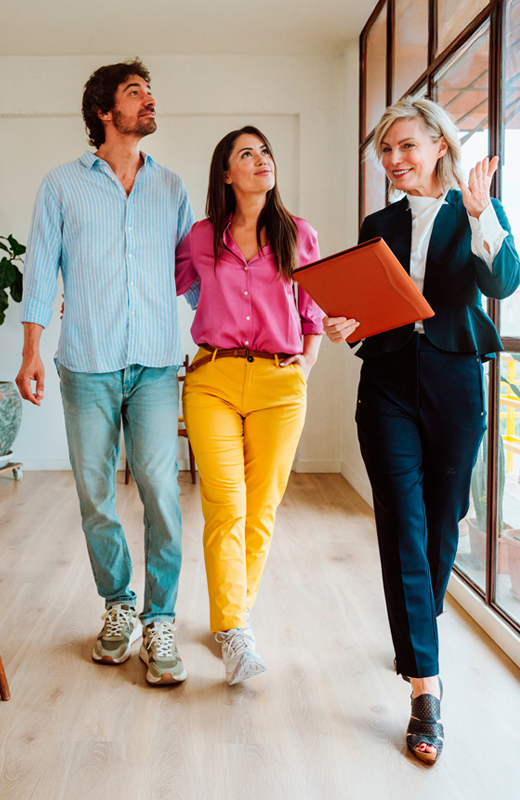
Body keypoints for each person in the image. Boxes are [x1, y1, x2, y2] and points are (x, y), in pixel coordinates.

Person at [324, 98, 520, 763]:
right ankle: (425, 690)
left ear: (439, 144)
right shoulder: (378, 220)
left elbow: (506, 282)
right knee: (401, 527)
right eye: (386, 151)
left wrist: (480, 214)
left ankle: (418, 625)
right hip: (385, 384)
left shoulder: (474, 210)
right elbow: (367, 302)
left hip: (454, 381)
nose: (395, 161)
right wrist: (344, 321)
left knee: (444, 522)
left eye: (406, 146)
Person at [16, 58, 193, 685]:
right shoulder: (62, 185)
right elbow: (40, 273)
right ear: (103, 111)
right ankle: (119, 607)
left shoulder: (171, 187)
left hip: (153, 365)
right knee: (95, 495)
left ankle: (161, 616)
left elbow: (190, 276)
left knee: (160, 491)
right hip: (85, 364)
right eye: (135, 93)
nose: (148, 102)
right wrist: (31, 349)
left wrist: (233, 333)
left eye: (149, 92)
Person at [175, 126, 323, 685]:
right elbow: (162, 282)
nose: (261, 160)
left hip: (279, 385)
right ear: (226, 174)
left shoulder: (297, 234)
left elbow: (312, 310)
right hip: (212, 378)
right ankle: (236, 631)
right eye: (247, 154)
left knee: (261, 508)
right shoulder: (200, 236)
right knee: (224, 502)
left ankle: (229, 618)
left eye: (265, 152)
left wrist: (305, 367)